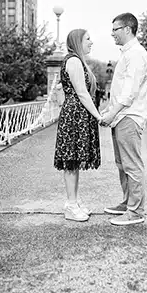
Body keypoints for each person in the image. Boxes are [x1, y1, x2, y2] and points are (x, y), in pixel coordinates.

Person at [100, 13, 147, 227]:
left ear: (128, 29)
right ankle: (127, 203)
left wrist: (111, 114)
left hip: (129, 117)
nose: (112, 33)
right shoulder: (127, 54)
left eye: (115, 29)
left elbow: (129, 92)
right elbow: (121, 89)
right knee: (122, 165)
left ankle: (136, 212)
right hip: (121, 117)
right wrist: (109, 110)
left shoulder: (137, 54)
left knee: (131, 165)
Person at [53, 29, 102, 222]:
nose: (91, 42)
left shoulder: (76, 61)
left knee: (74, 161)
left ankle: (74, 201)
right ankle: (71, 205)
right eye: (88, 39)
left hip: (78, 115)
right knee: (71, 161)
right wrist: (98, 116)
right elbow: (82, 93)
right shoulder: (73, 61)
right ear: (78, 41)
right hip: (75, 116)